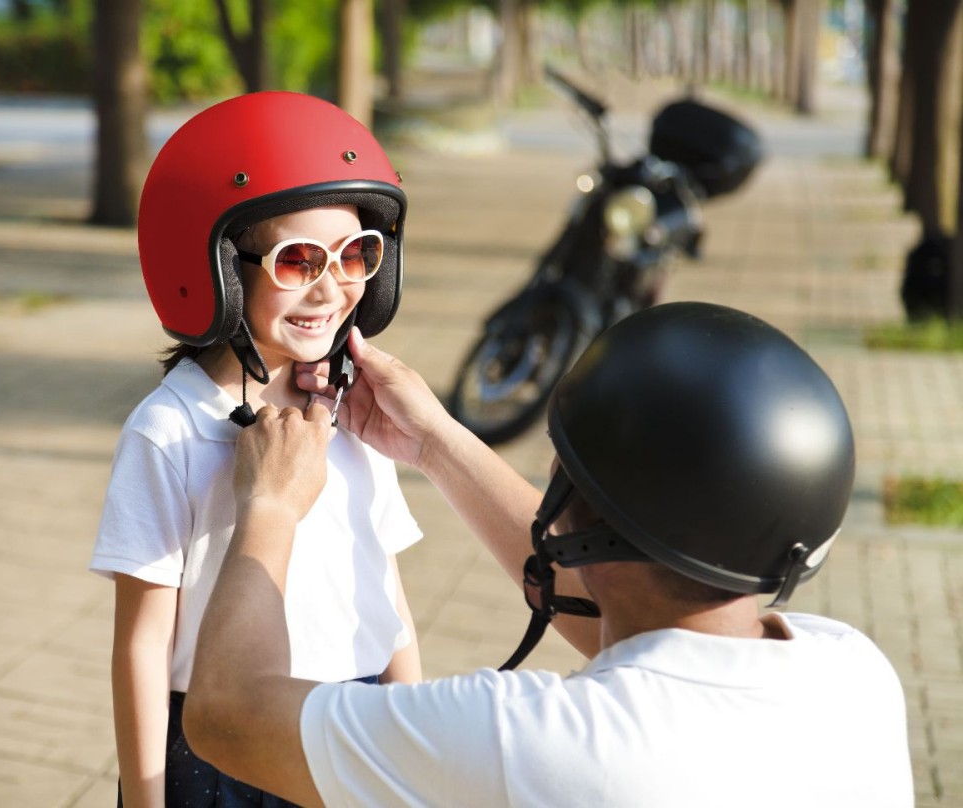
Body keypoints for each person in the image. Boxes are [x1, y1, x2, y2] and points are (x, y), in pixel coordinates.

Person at [184, 302, 914, 807]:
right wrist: (435, 443)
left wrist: (272, 505)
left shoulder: (532, 743)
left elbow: (226, 715)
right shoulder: (852, 672)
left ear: (579, 509)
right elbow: (637, 625)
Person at [89, 92, 423, 807]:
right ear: (217, 268)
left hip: (350, 727)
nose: (333, 287)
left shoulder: (356, 411)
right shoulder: (169, 429)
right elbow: (143, 646)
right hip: (216, 747)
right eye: (299, 260)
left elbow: (386, 591)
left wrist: (410, 733)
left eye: (358, 254)